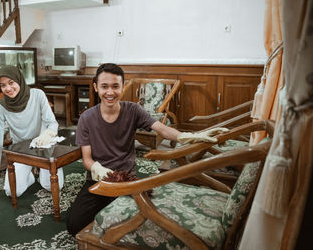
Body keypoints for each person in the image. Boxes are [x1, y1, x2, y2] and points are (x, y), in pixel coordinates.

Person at [66, 63, 228, 236]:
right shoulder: (87, 118)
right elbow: (87, 159)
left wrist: (189, 136)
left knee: (145, 224)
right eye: (104, 86)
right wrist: (98, 169)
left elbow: (162, 129)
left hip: (126, 179)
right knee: (74, 225)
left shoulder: (133, 110)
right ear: (96, 87)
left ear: (122, 86)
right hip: (98, 181)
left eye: (115, 86)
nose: (110, 92)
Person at [0, 65, 64, 197]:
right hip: (21, 151)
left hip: (44, 146)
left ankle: (42, 173)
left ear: (19, 80)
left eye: (11, 83)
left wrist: (48, 134)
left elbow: (52, 123)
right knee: (12, 191)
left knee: (50, 186)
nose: (8, 89)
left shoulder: (37, 95)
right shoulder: (1, 108)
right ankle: (29, 175)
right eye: (3, 85)